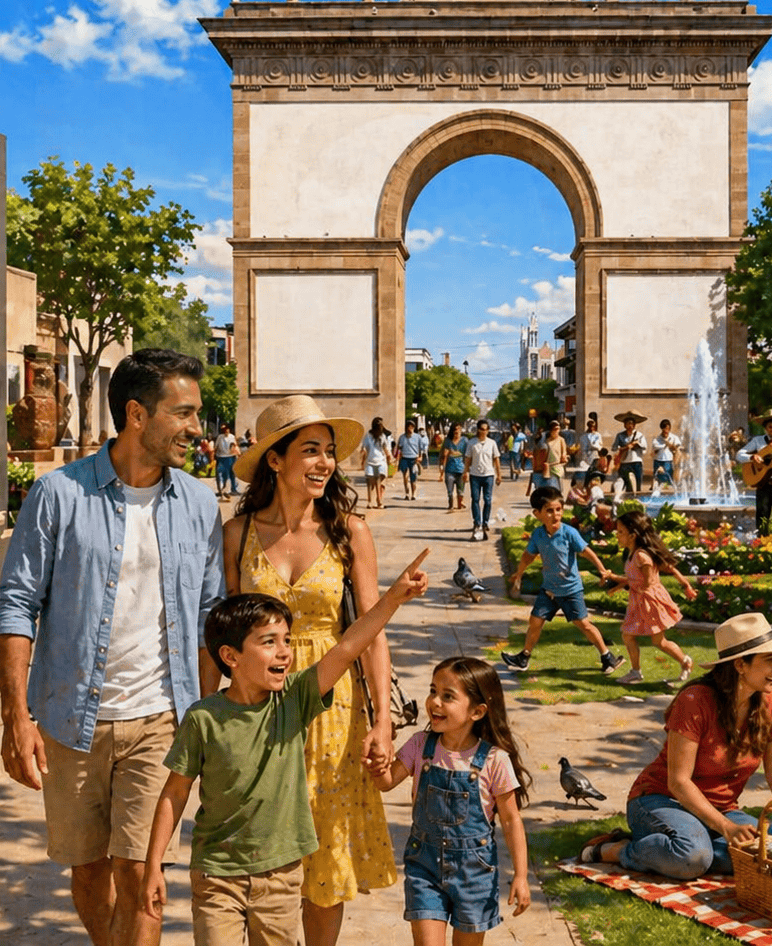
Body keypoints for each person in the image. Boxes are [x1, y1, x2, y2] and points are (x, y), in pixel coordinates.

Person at [0, 348, 224, 946]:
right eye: (184, 413)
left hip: (161, 721)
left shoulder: (198, 504)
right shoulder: (58, 495)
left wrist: (202, 716)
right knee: (90, 870)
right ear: (137, 415)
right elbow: (15, 605)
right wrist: (16, 717)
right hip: (71, 720)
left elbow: (207, 619)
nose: (198, 428)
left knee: (144, 873)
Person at [141, 554, 429, 945]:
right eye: (269, 642)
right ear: (231, 656)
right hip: (216, 875)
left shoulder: (293, 700)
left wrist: (391, 599)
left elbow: (347, 647)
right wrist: (153, 864)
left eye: (287, 641)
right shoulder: (203, 718)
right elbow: (174, 793)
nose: (285, 652)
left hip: (280, 876)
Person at [225, 395, 398, 946]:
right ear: (274, 460)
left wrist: (383, 721)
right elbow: (224, 636)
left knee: (323, 856)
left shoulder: (350, 531)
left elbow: (371, 630)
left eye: (329, 452)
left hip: (333, 710)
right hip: (260, 709)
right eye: (310, 451)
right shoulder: (239, 533)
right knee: (261, 850)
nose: (324, 462)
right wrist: (214, 719)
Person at [580, 612, 772, 879]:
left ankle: (682, 847)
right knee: (693, 857)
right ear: (740, 665)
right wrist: (726, 828)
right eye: (770, 659)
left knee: (769, 853)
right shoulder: (694, 701)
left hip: (719, 809)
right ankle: (617, 850)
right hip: (661, 800)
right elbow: (679, 782)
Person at [371, 657, 531, 944]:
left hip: (474, 874)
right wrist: (376, 759)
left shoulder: (495, 761)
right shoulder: (420, 745)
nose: (435, 702)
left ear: (477, 711)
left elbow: (511, 820)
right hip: (424, 867)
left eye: (448, 696)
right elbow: (385, 783)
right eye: (433, 691)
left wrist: (521, 875)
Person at [502, 485, 624, 675]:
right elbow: (528, 556)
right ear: (537, 514)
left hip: (570, 590)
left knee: (583, 624)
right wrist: (518, 573)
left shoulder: (569, 533)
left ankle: (607, 657)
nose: (555, 514)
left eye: (558, 509)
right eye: (549, 511)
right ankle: (524, 657)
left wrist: (602, 570)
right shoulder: (538, 535)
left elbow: (587, 552)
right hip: (549, 590)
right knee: (535, 621)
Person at [607, 510, 696, 686]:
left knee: (655, 640)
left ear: (632, 535)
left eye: (621, 532)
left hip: (649, 602)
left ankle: (683, 661)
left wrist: (619, 584)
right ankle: (637, 671)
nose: (617, 535)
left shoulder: (641, 555)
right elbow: (636, 580)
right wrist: (616, 580)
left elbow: (646, 583)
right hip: (640, 601)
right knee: (634, 637)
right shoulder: (634, 553)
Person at [463, 419, 501, 542]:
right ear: (478, 430)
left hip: (488, 475)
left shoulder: (492, 443)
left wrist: (499, 475)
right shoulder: (472, 443)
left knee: (488, 500)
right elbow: (468, 458)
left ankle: (485, 522)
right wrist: (466, 472)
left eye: (486, 429)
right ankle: (477, 522)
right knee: (475, 499)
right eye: (482, 429)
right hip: (475, 475)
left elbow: (496, 459)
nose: (484, 432)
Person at [360, 416, 394, 510]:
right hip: (370, 462)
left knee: (379, 480)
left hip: (381, 461)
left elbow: (385, 448)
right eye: (380, 425)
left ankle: (379, 501)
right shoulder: (368, 435)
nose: (381, 426)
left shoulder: (382, 436)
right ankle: (370, 501)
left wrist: (389, 457)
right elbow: (364, 448)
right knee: (370, 483)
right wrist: (362, 458)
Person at [611, 410, 647, 495]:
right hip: (624, 463)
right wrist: (625, 448)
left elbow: (645, 448)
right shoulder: (620, 436)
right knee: (626, 484)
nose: (630, 426)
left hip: (636, 462)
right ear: (624, 425)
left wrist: (636, 444)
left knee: (637, 484)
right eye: (628, 423)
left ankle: (637, 500)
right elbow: (614, 448)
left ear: (634, 425)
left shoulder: (640, 435)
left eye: (631, 424)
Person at [439, 422, 468, 512]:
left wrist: (467, 471)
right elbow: (444, 457)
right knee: (450, 491)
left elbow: (468, 456)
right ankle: (451, 505)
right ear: (452, 431)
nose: (457, 431)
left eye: (459, 429)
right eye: (455, 430)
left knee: (460, 492)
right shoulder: (448, 441)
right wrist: (441, 472)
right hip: (449, 470)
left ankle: (460, 503)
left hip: (461, 470)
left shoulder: (465, 441)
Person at [396, 419, 428, 501]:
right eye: (408, 427)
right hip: (404, 459)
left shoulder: (417, 437)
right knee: (405, 476)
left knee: (413, 478)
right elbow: (399, 449)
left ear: (413, 428)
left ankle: (413, 494)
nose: (409, 429)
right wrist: (397, 459)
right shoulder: (402, 437)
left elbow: (421, 449)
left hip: (414, 459)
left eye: (411, 427)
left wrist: (420, 457)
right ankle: (407, 493)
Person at [650, 419, 682, 492]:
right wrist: (664, 445)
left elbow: (678, 447)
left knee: (668, 478)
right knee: (657, 478)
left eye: (668, 429)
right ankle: (656, 492)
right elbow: (655, 447)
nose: (666, 431)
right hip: (658, 461)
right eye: (664, 429)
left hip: (668, 461)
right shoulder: (657, 439)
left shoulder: (673, 437)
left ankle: (668, 493)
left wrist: (672, 446)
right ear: (662, 429)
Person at [213, 423, 240, 500]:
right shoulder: (220, 437)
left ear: (229, 429)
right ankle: (221, 490)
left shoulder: (232, 437)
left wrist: (237, 454)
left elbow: (235, 447)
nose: (226, 431)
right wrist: (213, 456)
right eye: (224, 430)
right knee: (220, 474)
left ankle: (233, 489)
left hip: (231, 457)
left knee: (232, 474)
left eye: (227, 429)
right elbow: (216, 447)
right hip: (221, 458)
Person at [542, 419, 569, 493]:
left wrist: (564, 456)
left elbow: (564, 451)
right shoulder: (547, 441)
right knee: (551, 486)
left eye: (558, 429)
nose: (556, 431)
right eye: (554, 429)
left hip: (558, 466)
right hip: (549, 467)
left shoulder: (561, 440)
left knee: (560, 487)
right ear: (551, 430)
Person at [577, 418, 603, 482]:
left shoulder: (597, 435)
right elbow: (583, 447)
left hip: (595, 455)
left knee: (595, 472)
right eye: (590, 426)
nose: (592, 428)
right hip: (587, 456)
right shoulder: (583, 436)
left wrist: (597, 448)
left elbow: (600, 445)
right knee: (587, 471)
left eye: (593, 426)